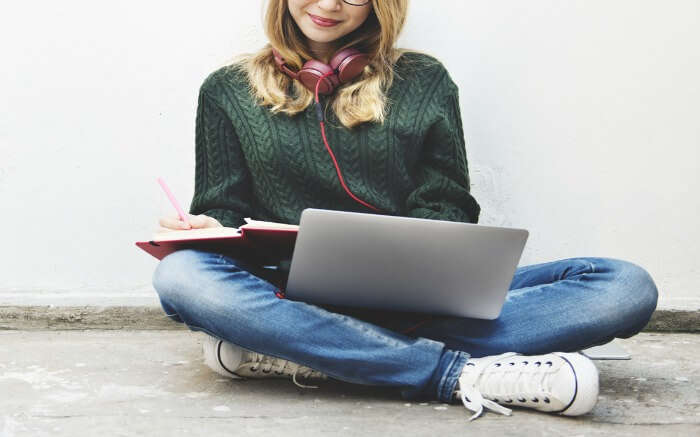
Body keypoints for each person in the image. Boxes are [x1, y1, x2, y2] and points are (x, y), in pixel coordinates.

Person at [151, 0, 659, 421]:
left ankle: (303, 351)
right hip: (287, 290)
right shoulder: (227, 90)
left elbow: (449, 203)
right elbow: (223, 206)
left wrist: (412, 265)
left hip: (415, 298)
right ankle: (457, 373)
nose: (329, 5)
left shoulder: (424, 80)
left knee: (624, 285)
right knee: (181, 276)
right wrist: (208, 228)